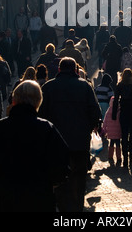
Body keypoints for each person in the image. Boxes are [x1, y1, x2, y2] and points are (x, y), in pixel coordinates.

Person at [0, 80, 69, 212]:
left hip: (8, 201)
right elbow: (63, 165)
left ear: (14, 100)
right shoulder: (46, 129)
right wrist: (46, 182)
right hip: (40, 200)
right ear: (38, 102)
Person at [39, 57, 101, 212]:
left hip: (55, 144)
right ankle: (76, 209)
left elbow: (41, 115)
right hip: (79, 143)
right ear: (75, 70)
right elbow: (95, 112)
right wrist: (89, 127)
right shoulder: (85, 86)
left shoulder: (49, 87)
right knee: (78, 181)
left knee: (57, 180)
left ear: (59, 70)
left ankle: (60, 207)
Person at [103, 96, 122, 165]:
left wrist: (104, 129)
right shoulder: (119, 110)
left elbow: (105, 120)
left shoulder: (109, 110)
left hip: (110, 131)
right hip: (118, 130)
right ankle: (119, 157)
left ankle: (110, 156)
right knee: (118, 144)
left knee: (111, 143)